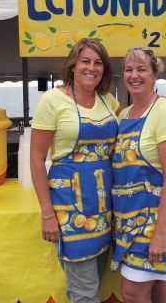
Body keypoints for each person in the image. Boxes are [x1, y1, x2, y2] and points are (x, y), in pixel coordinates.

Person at [30, 38, 121, 303]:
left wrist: (154, 104)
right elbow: (36, 159)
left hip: (104, 205)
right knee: (85, 293)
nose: (92, 68)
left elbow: (130, 126)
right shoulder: (53, 100)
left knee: (96, 281)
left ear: (104, 69)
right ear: (72, 66)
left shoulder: (108, 101)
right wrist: (47, 214)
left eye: (98, 63)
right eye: (85, 61)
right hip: (70, 206)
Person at [111, 47, 166, 303]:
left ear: (155, 75)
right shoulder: (122, 116)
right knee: (156, 285)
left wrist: (161, 234)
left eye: (142, 69)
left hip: (156, 216)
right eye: (129, 69)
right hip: (129, 215)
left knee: (133, 292)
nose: (134, 75)